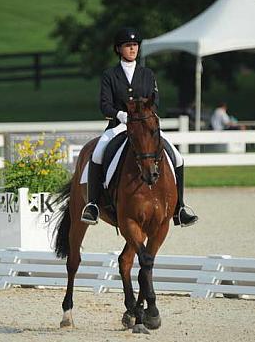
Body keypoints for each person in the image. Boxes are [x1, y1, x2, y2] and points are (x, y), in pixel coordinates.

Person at [80, 27, 198, 227]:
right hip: (119, 125)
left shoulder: (147, 74)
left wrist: (142, 116)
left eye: (135, 45)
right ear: (118, 49)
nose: (132, 49)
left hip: (144, 126)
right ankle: (93, 205)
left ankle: (180, 208)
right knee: (97, 154)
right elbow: (105, 105)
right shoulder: (110, 75)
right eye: (128, 46)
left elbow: (155, 101)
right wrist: (121, 115)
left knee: (177, 157)